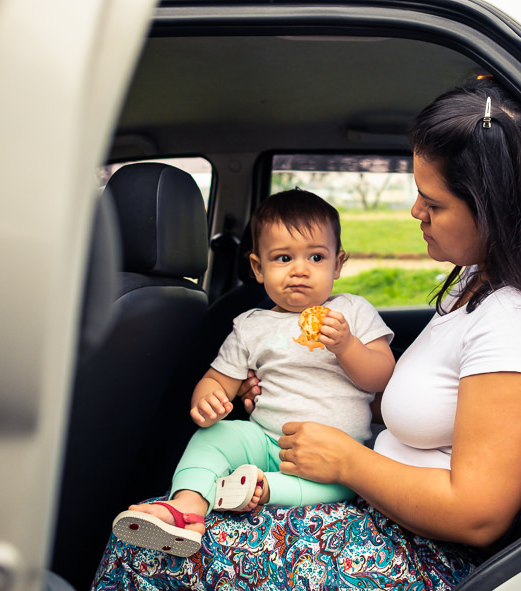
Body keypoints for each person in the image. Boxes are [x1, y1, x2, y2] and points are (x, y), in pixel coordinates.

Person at [85, 77, 521, 591]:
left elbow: (479, 514)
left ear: (498, 211)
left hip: (417, 566)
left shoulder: (518, 321)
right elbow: (425, 410)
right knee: (155, 521)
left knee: (142, 550)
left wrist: (350, 461)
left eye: (433, 203)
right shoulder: (476, 290)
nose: (414, 211)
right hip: (384, 521)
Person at [110, 188, 395, 558]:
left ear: (338, 264)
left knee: (345, 485)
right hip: (263, 441)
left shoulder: (352, 312)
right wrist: (207, 400)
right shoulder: (250, 325)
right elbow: (219, 379)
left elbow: (380, 378)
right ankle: (185, 506)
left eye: (316, 257)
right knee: (217, 434)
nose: (299, 269)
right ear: (258, 268)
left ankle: (264, 488)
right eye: (282, 258)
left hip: (334, 455)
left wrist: (347, 346)